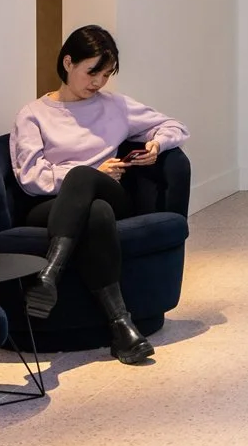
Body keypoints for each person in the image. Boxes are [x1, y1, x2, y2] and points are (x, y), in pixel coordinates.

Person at [10, 25, 188, 364]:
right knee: (95, 211)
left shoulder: (116, 106)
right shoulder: (33, 115)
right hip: (51, 206)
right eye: (92, 72)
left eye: (106, 75)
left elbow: (175, 126)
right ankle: (122, 327)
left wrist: (156, 144)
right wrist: (89, 172)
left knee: (90, 186)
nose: (99, 82)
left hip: (113, 195)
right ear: (68, 63)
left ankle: (49, 274)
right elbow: (31, 178)